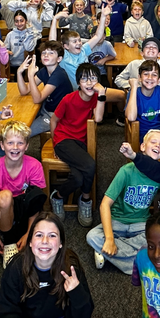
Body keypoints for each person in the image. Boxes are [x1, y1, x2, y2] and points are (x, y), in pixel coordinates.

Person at [86, 130, 160, 274]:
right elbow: (104, 204)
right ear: (142, 146)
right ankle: (137, 260)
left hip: (141, 223)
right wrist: (109, 238)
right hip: (118, 221)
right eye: (153, 142)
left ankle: (108, 254)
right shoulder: (126, 171)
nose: (157, 146)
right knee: (92, 236)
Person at [0, 121, 47, 268]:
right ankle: (9, 241)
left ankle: (25, 230)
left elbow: (35, 203)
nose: (15, 148)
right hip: (2, 211)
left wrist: (29, 232)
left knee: (36, 195)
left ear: (26, 146)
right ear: (2, 145)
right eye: (10, 143)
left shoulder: (35, 166)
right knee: (5, 196)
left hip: (24, 210)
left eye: (20, 143)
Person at [49, 63, 107, 227]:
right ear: (78, 82)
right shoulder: (69, 99)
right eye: (84, 79)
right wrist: (55, 144)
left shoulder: (96, 98)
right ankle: (86, 199)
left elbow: (99, 119)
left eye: (93, 78)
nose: (89, 83)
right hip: (63, 140)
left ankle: (58, 196)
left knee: (78, 177)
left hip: (80, 143)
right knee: (90, 166)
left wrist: (102, 93)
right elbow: (54, 120)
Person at [17, 41, 73, 137]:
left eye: (51, 53)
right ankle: (3, 148)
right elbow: (24, 91)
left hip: (57, 115)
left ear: (59, 59)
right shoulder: (44, 71)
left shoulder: (59, 74)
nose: (46, 55)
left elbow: (37, 99)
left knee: (23, 133)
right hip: (46, 108)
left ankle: (0, 151)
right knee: (18, 118)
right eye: (44, 53)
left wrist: (30, 76)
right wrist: (19, 72)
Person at [50, 6, 110, 89]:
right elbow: (52, 43)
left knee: (119, 95)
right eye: (74, 42)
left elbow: (98, 36)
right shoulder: (63, 55)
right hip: (73, 93)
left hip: (88, 89)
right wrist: (55, 19)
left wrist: (103, 17)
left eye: (79, 40)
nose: (78, 43)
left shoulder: (84, 49)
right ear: (66, 46)